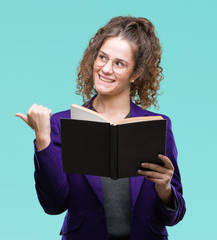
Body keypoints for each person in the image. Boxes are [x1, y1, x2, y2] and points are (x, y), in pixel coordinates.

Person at [15, 16, 186, 240]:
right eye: (102, 57)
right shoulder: (61, 123)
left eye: (119, 63)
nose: (105, 69)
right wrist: (42, 138)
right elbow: (54, 204)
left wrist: (164, 189)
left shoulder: (156, 125)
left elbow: (174, 215)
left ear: (135, 74)